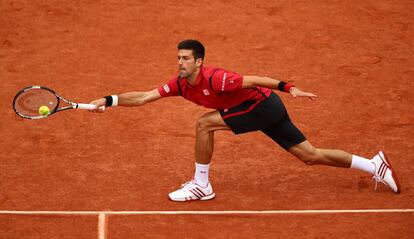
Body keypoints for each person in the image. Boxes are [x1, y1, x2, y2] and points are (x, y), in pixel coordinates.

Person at [89, 39, 400, 201]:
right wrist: (108, 100)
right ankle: (375, 165)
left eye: (185, 58)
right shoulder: (180, 84)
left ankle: (201, 185)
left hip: (264, 107)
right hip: (264, 111)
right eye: (178, 58)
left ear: (199, 61)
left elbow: (256, 80)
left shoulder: (219, 78)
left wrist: (290, 88)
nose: (179, 63)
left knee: (204, 123)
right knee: (309, 156)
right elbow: (143, 97)